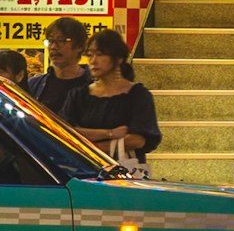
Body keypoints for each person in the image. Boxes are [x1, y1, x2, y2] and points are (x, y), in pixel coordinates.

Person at [58, 31, 161, 168]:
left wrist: (90, 149)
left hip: (124, 175)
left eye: (100, 54)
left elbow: (138, 140)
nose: (93, 61)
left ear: (118, 59)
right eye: (90, 55)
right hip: (84, 173)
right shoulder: (78, 95)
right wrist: (110, 134)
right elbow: (65, 132)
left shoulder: (138, 95)